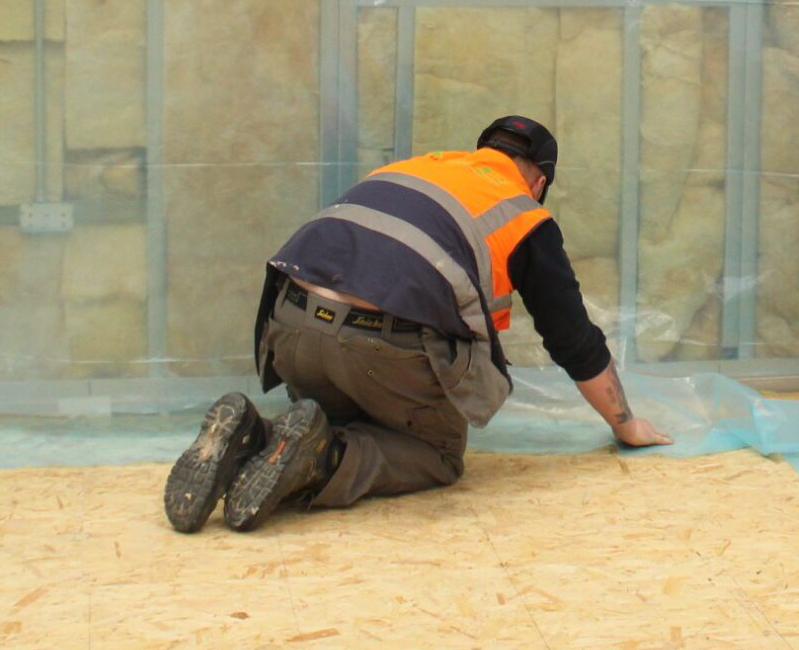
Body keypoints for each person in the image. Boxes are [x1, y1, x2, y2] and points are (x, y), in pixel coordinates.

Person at [164, 115, 671, 532]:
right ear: (539, 182)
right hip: (371, 348)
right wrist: (625, 424)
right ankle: (326, 459)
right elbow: (572, 339)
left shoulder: (414, 169)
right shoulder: (522, 212)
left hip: (290, 325)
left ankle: (254, 434)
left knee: (337, 413)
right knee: (437, 453)